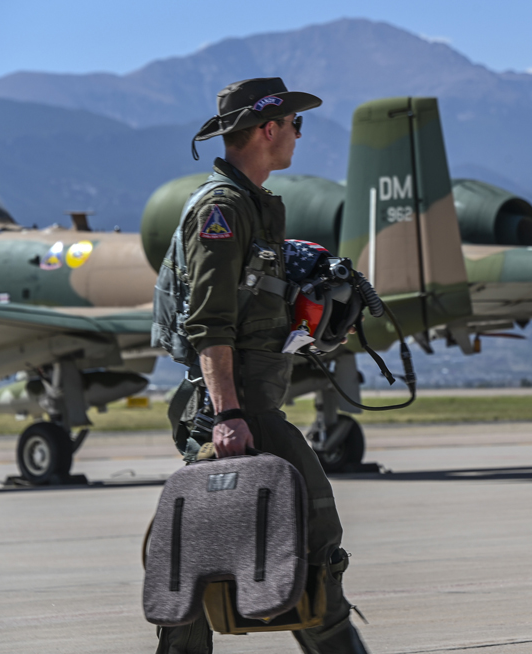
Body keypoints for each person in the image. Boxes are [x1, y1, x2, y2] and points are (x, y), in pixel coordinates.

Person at [156, 78, 369, 654]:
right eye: (295, 124)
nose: (299, 135)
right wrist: (228, 416)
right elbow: (208, 324)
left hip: (251, 405)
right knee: (315, 536)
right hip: (237, 412)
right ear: (269, 128)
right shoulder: (222, 209)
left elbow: (247, 310)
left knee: (201, 560)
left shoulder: (254, 205)